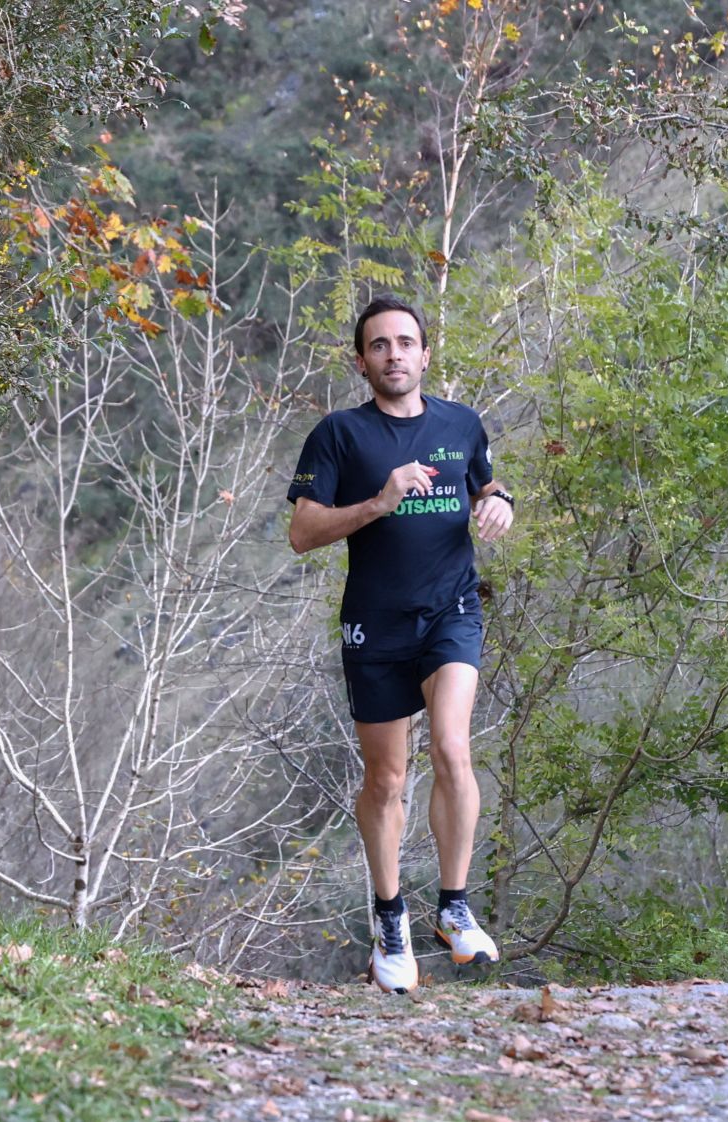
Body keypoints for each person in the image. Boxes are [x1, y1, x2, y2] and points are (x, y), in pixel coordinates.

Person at [286, 295, 515, 994]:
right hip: (374, 625)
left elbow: (487, 477)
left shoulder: (460, 422)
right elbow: (302, 533)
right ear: (362, 361)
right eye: (379, 345)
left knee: (452, 747)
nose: (394, 354)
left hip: (450, 611)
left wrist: (500, 499)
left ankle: (453, 907)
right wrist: (378, 504)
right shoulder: (338, 436)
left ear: (424, 354)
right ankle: (391, 918)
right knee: (386, 780)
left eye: (405, 342)